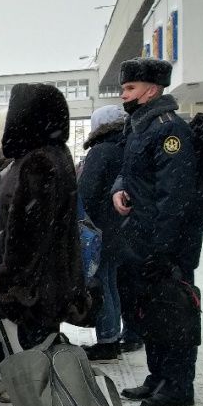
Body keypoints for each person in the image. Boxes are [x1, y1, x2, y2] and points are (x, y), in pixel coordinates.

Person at [0, 83, 94, 406]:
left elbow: (27, 233)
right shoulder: (54, 153)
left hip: (36, 281)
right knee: (46, 353)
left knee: (39, 357)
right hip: (52, 275)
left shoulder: (37, 161)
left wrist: (10, 278)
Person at [110, 57, 200, 406]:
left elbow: (174, 196)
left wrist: (163, 250)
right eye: (123, 88)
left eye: (130, 88)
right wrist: (119, 187)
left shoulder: (169, 129)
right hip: (143, 236)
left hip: (168, 243)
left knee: (174, 313)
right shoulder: (138, 126)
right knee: (151, 312)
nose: (124, 95)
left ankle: (178, 385)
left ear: (152, 89)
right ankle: (157, 376)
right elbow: (127, 169)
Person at [78, 104, 137, 361]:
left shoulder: (101, 151)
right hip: (119, 229)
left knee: (100, 285)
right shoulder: (124, 147)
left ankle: (107, 340)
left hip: (101, 230)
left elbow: (87, 192)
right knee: (110, 283)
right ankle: (113, 334)